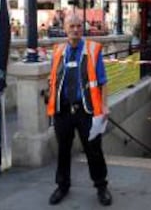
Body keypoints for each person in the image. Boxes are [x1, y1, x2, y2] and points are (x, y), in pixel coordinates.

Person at [47, 13, 112, 206]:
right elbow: (53, 80)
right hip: (63, 111)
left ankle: (101, 186)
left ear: (81, 29)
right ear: (65, 29)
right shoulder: (58, 51)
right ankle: (62, 185)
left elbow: (103, 82)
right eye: (71, 26)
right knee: (63, 151)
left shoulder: (92, 50)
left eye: (78, 26)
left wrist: (105, 105)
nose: (75, 29)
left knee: (94, 150)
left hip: (87, 111)